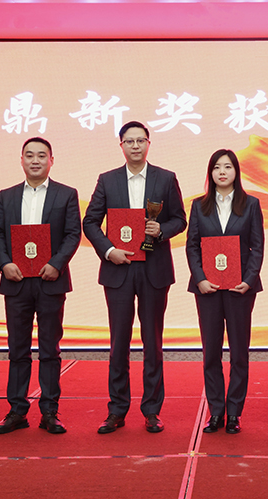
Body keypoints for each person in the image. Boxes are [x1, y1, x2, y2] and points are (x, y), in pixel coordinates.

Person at [83, 121, 187, 434]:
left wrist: (162, 230)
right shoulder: (107, 180)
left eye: (141, 140)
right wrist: (108, 250)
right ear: (121, 146)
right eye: (129, 141)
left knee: (153, 342)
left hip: (154, 269)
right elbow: (90, 222)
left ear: (148, 144)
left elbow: (180, 219)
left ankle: (152, 410)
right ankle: (117, 410)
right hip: (118, 269)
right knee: (119, 342)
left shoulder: (165, 178)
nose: (135, 146)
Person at [0, 137, 81, 434]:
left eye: (42, 155)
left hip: (50, 281)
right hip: (16, 282)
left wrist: (57, 264)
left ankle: (50, 411)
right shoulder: (6, 196)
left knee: (49, 349)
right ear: (21, 160)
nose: (35, 160)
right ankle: (17, 411)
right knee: (17, 349)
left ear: (51, 160)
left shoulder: (66, 194)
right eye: (29, 155)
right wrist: (5, 263)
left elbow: (73, 234)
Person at [186, 149, 264, 434]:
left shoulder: (251, 204)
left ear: (236, 172)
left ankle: (234, 413)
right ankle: (216, 412)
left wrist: (249, 279)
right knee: (211, 352)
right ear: (210, 172)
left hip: (239, 289)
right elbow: (192, 246)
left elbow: (257, 246)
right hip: (207, 289)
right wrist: (200, 279)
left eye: (228, 167)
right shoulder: (199, 206)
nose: (222, 172)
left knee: (239, 352)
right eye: (217, 167)